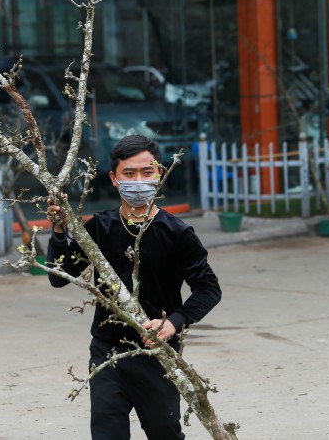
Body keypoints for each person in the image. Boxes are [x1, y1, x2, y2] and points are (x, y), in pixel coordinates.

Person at [46, 135, 222, 440]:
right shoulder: (100, 228)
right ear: (114, 179)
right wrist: (60, 230)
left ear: (160, 174)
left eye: (147, 172)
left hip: (158, 354)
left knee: (164, 432)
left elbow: (208, 288)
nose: (138, 180)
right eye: (129, 174)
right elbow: (59, 277)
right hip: (107, 351)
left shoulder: (177, 233)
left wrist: (173, 323)